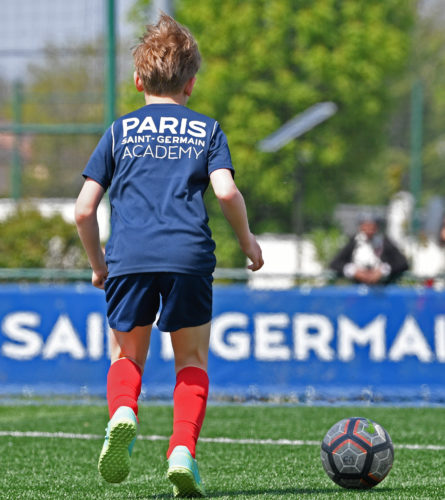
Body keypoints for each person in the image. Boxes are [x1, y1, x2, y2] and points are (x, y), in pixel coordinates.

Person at [75, 13, 263, 497]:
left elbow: (83, 210)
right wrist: (247, 243)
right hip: (189, 256)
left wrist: (99, 265)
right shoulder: (206, 130)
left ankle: (122, 412)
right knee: (192, 359)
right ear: (192, 83)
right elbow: (225, 193)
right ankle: (182, 450)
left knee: (127, 353)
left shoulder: (119, 132)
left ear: (138, 79)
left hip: (129, 256)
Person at [329, 212, 408, 284]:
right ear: (360, 227)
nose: (369, 230)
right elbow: (335, 264)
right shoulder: (354, 242)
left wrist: (382, 270)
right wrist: (354, 271)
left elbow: (402, 263)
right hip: (357, 287)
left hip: (381, 287)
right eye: (366, 226)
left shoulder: (384, 242)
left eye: (372, 226)